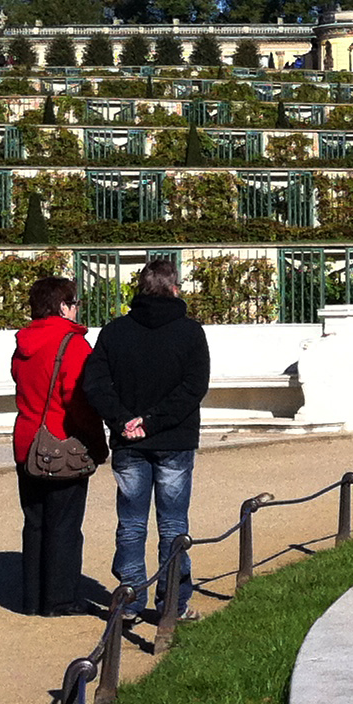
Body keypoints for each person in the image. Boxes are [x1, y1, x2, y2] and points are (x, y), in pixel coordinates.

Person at [81, 256, 213, 620]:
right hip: (172, 437)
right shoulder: (189, 331)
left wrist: (124, 420)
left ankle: (130, 598)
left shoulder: (115, 331)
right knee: (173, 524)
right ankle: (173, 601)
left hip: (130, 440)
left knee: (132, 522)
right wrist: (152, 422)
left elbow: (95, 383)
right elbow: (193, 388)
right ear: (174, 288)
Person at [11, 274, 107, 616]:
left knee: (35, 521)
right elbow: (79, 401)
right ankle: (60, 598)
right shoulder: (73, 344)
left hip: (27, 439)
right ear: (64, 306)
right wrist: (98, 444)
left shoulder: (23, 342)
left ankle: (33, 598)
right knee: (64, 525)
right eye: (74, 303)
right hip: (62, 440)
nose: (77, 309)